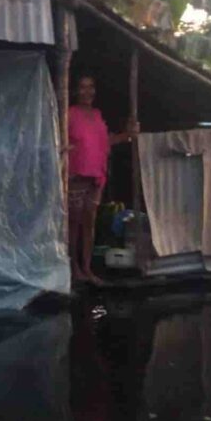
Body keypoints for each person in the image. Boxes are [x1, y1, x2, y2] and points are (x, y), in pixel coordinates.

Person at [67, 75, 138, 286]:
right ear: (75, 91)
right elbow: (60, 139)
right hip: (77, 176)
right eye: (82, 87)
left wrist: (127, 134)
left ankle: (87, 268)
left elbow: (105, 141)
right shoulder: (69, 114)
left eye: (91, 87)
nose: (87, 92)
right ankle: (73, 269)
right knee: (74, 225)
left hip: (96, 177)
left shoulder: (97, 115)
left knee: (89, 224)